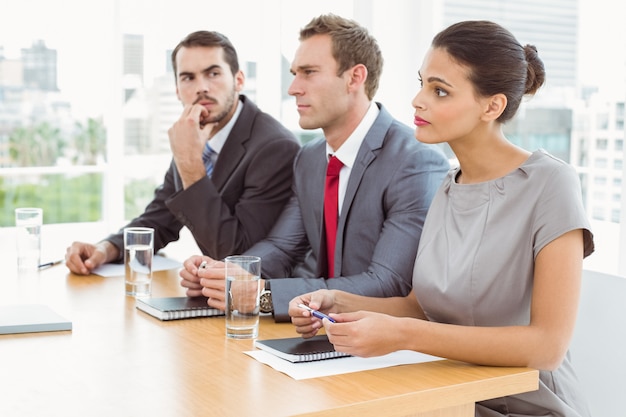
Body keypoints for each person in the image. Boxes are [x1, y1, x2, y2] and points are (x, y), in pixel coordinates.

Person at [289, 20, 595, 417]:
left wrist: (403, 335)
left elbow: (547, 347)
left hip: (527, 405)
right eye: (422, 84)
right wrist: (336, 301)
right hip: (447, 394)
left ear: (493, 106)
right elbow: (421, 307)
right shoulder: (449, 185)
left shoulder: (550, 184)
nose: (418, 101)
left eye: (439, 91)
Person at [179, 14, 449, 322]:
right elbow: (282, 247)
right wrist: (227, 274)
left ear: (354, 77)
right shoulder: (308, 159)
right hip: (316, 331)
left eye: (308, 73)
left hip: (384, 346)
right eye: (295, 73)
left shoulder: (414, 161)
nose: (293, 88)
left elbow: (388, 284)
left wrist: (263, 297)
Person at [65, 31, 300, 275]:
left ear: (238, 80)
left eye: (213, 73)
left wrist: (190, 164)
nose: (202, 88)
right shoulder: (194, 136)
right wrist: (106, 248)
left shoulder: (274, 147)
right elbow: (159, 220)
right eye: (188, 77)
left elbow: (241, 260)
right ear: (177, 90)